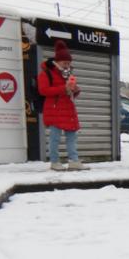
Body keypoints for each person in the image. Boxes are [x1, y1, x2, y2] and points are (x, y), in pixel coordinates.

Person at [38, 40, 88, 171]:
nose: (67, 65)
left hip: (68, 109)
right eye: (65, 63)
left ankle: (74, 160)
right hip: (54, 110)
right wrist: (63, 88)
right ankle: (54, 162)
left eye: (69, 63)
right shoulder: (46, 73)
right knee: (55, 138)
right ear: (57, 61)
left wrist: (75, 90)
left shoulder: (68, 74)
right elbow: (43, 90)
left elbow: (69, 94)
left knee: (72, 137)